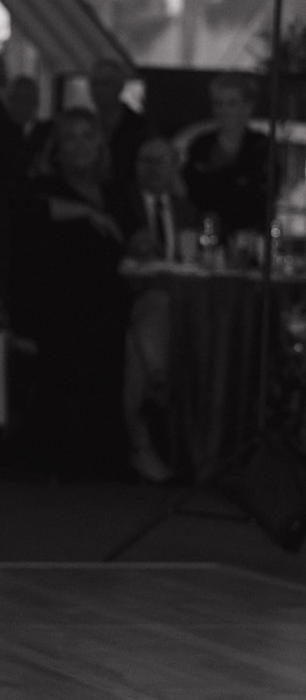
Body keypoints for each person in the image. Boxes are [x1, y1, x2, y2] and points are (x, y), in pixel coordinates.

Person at [9, 108, 129, 480]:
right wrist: (84, 213)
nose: (79, 146)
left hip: (109, 302)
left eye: (87, 137)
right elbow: (28, 216)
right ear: (57, 147)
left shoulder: (116, 191)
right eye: (70, 138)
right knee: (78, 327)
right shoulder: (43, 186)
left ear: (100, 145)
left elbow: (129, 237)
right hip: (55, 303)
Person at [120, 136, 199, 483]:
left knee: (140, 341)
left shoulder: (186, 209)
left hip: (178, 303)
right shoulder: (122, 203)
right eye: (144, 160)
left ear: (174, 166)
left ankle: (142, 443)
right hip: (129, 297)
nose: (152, 168)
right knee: (151, 312)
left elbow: (194, 259)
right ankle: (160, 386)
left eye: (160, 160)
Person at [182, 72, 270, 246]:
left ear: (248, 107)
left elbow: (259, 197)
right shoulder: (200, 145)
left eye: (231, 103)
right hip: (205, 237)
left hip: (249, 240)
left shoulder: (261, 146)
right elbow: (191, 192)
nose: (224, 111)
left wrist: (215, 181)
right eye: (218, 103)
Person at [88, 55, 150, 188]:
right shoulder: (85, 124)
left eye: (105, 83)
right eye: (94, 83)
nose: (98, 90)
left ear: (120, 86)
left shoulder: (140, 127)